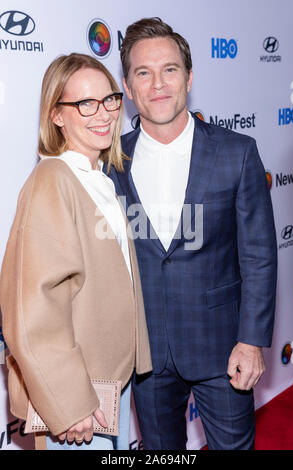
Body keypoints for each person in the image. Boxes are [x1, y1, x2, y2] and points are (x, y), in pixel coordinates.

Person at [106, 18, 277, 450]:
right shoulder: (109, 163)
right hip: (145, 356)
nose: (157, 84)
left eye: (169, 70)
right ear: (128, 86)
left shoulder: (236, 153)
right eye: (143, 73)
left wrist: (252, 341)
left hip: (222, 348)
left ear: (190, 77)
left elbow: (258, 255)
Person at [0, 52, 152, 451]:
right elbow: (32, 309)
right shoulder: (52, 179)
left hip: (108, 383)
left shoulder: (97, 177)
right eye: (84, 103)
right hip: (78, 400)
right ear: (56, 115)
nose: (103, 113)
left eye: (109, 99)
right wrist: (69, 402)